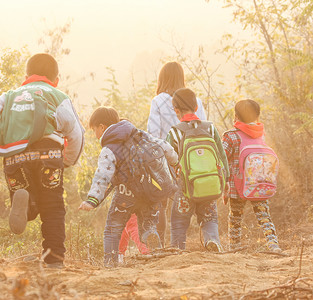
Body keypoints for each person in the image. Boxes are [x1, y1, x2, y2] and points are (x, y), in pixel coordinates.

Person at [0, 53, 84, 268]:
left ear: (26, 77)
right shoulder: (58, 96)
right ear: (56, 79)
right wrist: (67, 161)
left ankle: (26, 202)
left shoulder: (12, 95)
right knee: (52, 207)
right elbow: (75, 132)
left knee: (25, 195)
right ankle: (53, 261)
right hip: (49, 155)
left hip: (16, 155)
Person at [78, 106, 177, 267]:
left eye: (95, 130)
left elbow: (103, 176)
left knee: (113, 228)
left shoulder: (109, 148)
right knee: (148, 223)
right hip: (148, 192)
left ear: (102, 127)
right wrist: (175, 162)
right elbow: (164, 146)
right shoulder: (140, 135)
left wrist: (92, 200)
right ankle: (152, 242)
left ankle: (110, 263)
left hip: (126, 194)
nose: (95, 135)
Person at [147, 61, 207, 246]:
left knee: (160, 204)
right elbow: (203, 128)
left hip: (166, 159)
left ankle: (161, 245)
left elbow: (153, 134)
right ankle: (208, 239)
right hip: (194, 158)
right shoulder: (195, 101)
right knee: (199, 200)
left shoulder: (158, 101)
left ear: (162, 79)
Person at [166, 88, 228, 252]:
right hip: (210, 184)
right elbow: (222, 158)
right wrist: (225, 181)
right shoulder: (210, 129)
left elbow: (167, 161)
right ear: (196, 108)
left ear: (176, 110)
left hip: (185, 188)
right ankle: (212, 241)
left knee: (179, 221)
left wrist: (172, 184)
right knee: (209, 218)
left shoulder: (175, 132)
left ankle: (178, 249)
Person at [222, 99, 282, 252]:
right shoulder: (260, 134)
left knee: (235, 218)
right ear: (257, 117)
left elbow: (222, 159)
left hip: (237, 186)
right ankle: (273, 244)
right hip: (259, 184)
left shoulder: (230, 136)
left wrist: (223, 184)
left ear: (235, 116)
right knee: (264, 215)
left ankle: (234, 247)